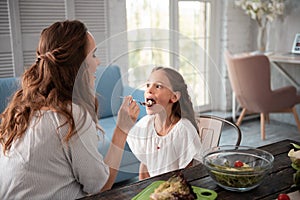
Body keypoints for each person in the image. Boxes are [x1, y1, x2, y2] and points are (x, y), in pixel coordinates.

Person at [0, 20, 139, 199]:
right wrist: (122, 129)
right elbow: (101, 186)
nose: (98, 61)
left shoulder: (21, 108)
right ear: (78, 64)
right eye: (93, 55)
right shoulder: (70, 116)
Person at [127, 66, 202, 180]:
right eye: (148, 85)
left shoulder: (183, 130)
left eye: (158, 86)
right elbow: (144, 169)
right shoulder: (145, 125)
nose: (149, 90)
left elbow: (189, 177)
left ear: (174, 97)